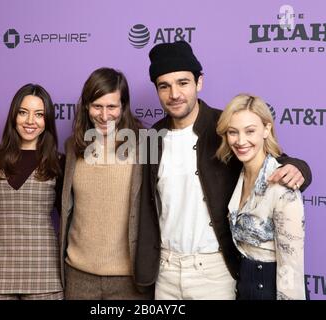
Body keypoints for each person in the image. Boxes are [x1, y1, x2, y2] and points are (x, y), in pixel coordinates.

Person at [134, 41, 312, 300]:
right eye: (165, 86)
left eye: (183, 83)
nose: (174, 93)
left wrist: (299, 168)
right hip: (166, 271)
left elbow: (271, 160)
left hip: (214, 272)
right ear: (157, 91)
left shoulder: (225, 127)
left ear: (199, 82)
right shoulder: (152, 137)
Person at [60, 67, 153, 299]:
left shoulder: (145, 143)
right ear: (86, 107)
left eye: (111, 106)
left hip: (130, 280)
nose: (104, 115)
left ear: (123, 106)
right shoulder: (73, 146)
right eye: (97, 106)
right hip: (78, 276)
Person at [0, 83, 64, 300]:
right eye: (23, 112)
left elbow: (72, 223)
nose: (30, 121)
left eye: (39, 114)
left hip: (46, 276)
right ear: (14, 115)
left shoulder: (58, 163)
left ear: (47, 121)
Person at [216, 94, 305, 300]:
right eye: (232, 132)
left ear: (266, 129)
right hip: (242, 288)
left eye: (250, 131)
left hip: (272, 291)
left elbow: (291, 268)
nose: (240, 141)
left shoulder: (282, 185)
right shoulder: (238, 174)